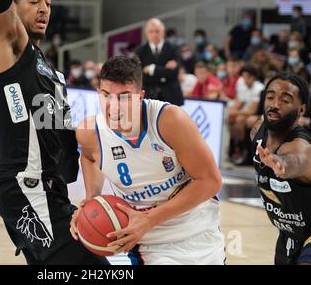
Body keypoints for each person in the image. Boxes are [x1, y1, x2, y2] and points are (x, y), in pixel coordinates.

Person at [0, 0, 108, 265]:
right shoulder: (8, 46)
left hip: (51, 191)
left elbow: (62, 142)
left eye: (48, 2)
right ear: (13, 6)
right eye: (34, 0)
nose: (44, 8)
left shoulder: (52, 73)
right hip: (24, 186)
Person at [70, 56, 225, 265]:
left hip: (200, 233)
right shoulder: (90, 133)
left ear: (140, 96)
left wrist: (150, 218)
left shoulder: (170, 121)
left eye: (124, 97)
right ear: (98, 94)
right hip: (149, 245)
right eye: (107, 96)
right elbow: (88, 157)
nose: (114, 107)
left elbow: (210, 181)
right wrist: (92, 197)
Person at [250, 73, 311, 265]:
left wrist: (282, 164)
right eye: (270, 97)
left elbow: (297, 159)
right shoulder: (258, 131)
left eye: (285, 100)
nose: (274, 104)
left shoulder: (301, 146)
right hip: (289, 234)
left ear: (301, 110)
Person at [136, 18, 184, 106]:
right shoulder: (140, 51)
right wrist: (164, 70)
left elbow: (174, 73)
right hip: (149, 96)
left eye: (157, 31)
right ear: (146, 33)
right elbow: (140, 75)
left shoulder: (174, 48)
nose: (154, 34)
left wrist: (151, 69)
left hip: (171, 96)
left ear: (163, 32)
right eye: (151, 31)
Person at [227, 64, 264, 165]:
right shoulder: (240, 83)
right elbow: (240, 101)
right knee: (230, 118)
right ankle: (233, 147)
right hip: (244, 111)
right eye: (244, 76)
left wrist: (235, 112)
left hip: (257, 113)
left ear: (254, 77)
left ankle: (243, 151)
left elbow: (252, 110)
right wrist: (231, 111)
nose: (245, 79)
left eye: (248, 77)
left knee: (240, 120)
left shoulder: (259, 88)